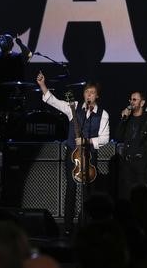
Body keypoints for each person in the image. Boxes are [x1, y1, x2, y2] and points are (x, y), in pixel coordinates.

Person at [36, 72, 109, 235]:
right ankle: (68, 227)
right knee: (71, 188)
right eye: (86, 92)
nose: (89, 95)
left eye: (92, 93)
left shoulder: (103, 114)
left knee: (89, 191)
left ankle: (90, 224)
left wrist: (87, 141)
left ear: (97, 96)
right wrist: (42, 85)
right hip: (72, 155)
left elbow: (105, 138)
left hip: (90, 156)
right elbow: (53, 101)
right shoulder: (73, 107)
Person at [0, 34, 33, 101]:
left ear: (12, 44)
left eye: (7, 41)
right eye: (3, 41)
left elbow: (29, 55)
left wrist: (20, 44)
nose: (5, 42)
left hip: (12, 92)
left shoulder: (17, 56)